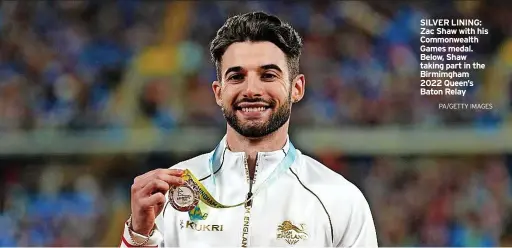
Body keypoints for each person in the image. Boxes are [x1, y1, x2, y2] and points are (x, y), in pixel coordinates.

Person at [120, 11, 378, 247]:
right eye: (236, 77)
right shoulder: (172, 191)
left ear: (296, 88)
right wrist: (137, 237)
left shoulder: (339, 199)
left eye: (268, 75)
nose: (252, 90)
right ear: (219, 92)